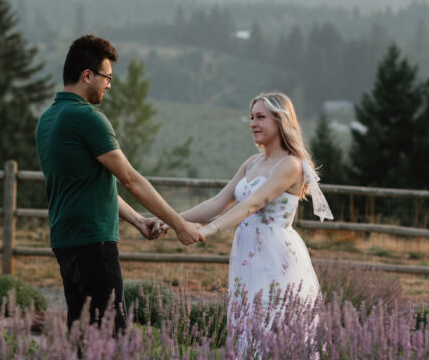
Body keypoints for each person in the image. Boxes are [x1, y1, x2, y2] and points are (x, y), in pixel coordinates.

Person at [36, 34, 204, 335]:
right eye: (107, 77)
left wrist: (139, 220)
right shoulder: (87, 118)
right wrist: (178, 224)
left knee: (83, 337)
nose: (109, 85)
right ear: (88, 76)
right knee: (112, 340)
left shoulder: (48, 119)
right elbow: (130, 179)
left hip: (66, 241)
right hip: (94, 243)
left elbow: (94, 185)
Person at [165, 91, 333, 331]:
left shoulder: (291, 165)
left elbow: (254, 203)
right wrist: (171, 220)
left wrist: (209, 230)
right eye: (252, 117)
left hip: (275, 255)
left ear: (280, 120)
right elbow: (217, 202)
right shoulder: (251, 162)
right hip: (247, 253)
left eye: (261, 117)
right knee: (247, 323)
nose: (253, 123)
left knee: (273, 324)